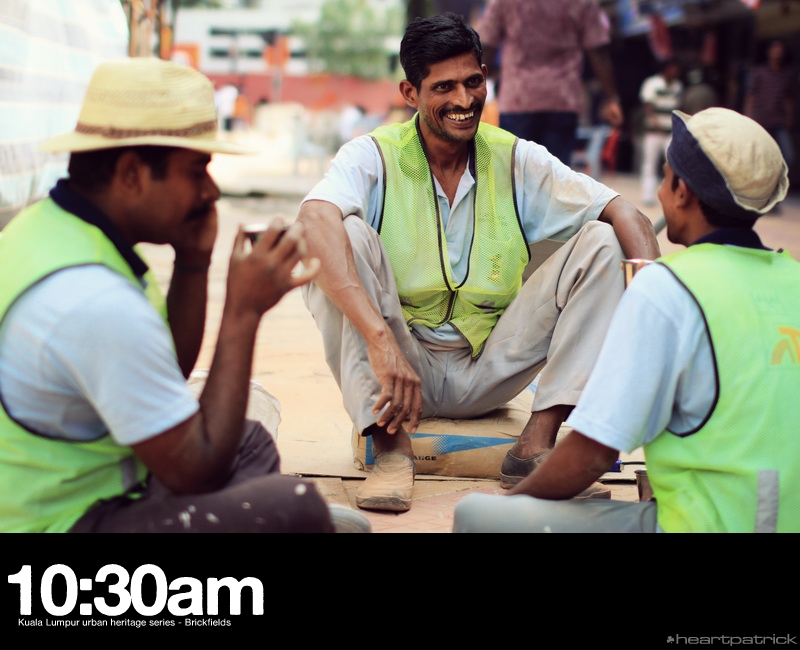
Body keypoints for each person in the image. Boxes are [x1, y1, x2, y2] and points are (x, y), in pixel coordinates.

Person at [297, 13, 659, 513]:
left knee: (603, 239)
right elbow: (315, 217)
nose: (464, 102)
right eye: (443, 87)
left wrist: (653, 303)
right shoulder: (373, 155)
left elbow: (625, 210)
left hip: (493, 363)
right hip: (400, 368)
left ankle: (536, 444)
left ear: (487, 76)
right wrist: (380, 341)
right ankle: (391, 451)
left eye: (474, 82)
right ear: (410, 93)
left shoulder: (514, 157)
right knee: (339, 236)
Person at [0, 57, 366, 534]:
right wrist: (243, 312)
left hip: (99, 486)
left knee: (249, 442)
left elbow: (163, 376)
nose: (211, 191)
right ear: (131, 173)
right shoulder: (93, 300)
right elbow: (198, 468)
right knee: (295, 505)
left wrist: (193, 261)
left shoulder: (49, 229)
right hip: (61, 527)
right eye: (197, 171)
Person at [453, 107, 800, 533]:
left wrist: (517, 507)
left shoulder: (670, 288)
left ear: (682, 192)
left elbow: (593, 454)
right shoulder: (794, 281)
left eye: (666, 175)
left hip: (696, 525)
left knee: (476, 517)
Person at [477, 0, 624, 166]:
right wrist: (612, 99)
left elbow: (486, 46)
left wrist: (473, 89)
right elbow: (598, 51)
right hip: (562, 100)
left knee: (514, 178)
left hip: (517, 99)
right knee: (556, 181)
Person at [745, 40, 796, 179]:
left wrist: (789, 117)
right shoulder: (759, 72)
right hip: (761, 121)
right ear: (769, 52)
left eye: (780, 49)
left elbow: (788, 98)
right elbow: (751, 96)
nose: (778, 52)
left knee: (788, 155)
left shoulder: (786, 75)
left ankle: (775, 183)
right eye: (775, 49)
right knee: (758, 156)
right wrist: (748, 117)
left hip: (779, 121)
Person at [639, 57, 683, 206]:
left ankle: (669, 195)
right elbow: (648, 106)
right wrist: (654, 123)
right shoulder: (652, 83)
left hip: (669, 131)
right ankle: (648, 196)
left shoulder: (677, 86)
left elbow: (677, 107)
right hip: (653, 131)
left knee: (672, 163)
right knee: (649, 164)